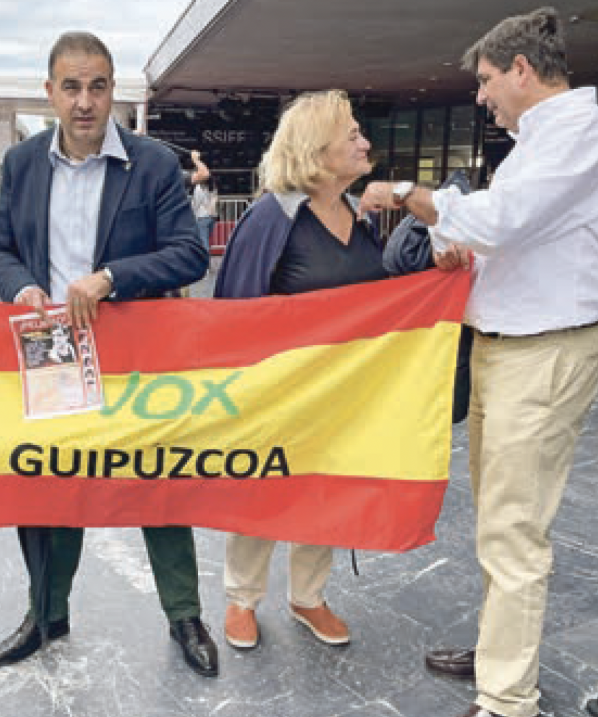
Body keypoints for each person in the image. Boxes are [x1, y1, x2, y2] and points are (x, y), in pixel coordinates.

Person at [357, 8, 598, 717]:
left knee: (513, 529)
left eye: (485, 80)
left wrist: (408, 196)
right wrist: (464, 253)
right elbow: (514, 236)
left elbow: (504, 219)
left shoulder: (583, 132)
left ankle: (508, 699)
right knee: (497, 521)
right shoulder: (539, 140)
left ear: (521, 69)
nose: (480, 95)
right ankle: (498, 650)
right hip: (507, 353)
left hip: (543, 356)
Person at [0, 31, 214, 676]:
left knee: (157, 482)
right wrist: (21, 287)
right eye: (71, 86)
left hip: (135, 352)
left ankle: (184, 613)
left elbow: (190, 252)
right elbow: (0, 249)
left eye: (98, 86)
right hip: (51, 352)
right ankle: (45, 612)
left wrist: (112, 276)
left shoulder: (154, 163)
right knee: (49, 484)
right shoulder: (23, 163)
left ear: (112, 89)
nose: (85, 102)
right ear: (50, 92)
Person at [214, 90, 382, 651]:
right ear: (317, 149)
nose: (365, 143)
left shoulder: (358, 216)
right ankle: (242, 598)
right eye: (352, 134)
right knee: (262, 489)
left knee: (326, 492)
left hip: (342, 393)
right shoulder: (271, 216)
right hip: (279, 395)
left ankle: (308, 596)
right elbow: (235, 309)